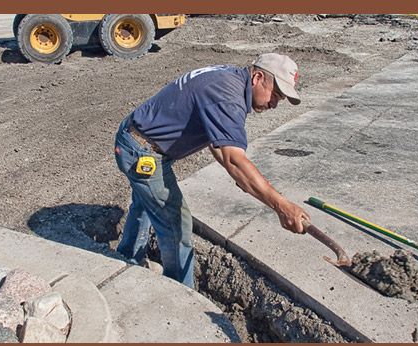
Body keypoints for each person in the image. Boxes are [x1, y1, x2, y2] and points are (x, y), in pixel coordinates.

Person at [113, 53, 311, 288]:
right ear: (258, 77)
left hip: (138, 139)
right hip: (142, 151)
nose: (274, 104)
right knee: (176, 225)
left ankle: (127, 259)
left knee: (147, 204)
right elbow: (234, 160)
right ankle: (180, 295)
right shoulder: (227, 95)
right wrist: (282, 206)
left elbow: (216, 141)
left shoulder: (229, 78)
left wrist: (239, 175)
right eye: (275, 95)